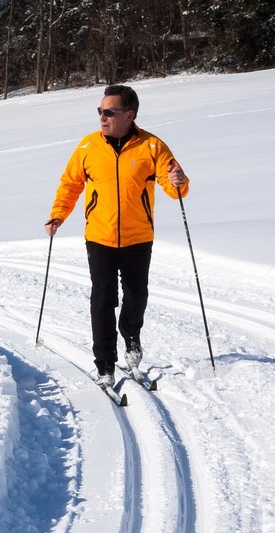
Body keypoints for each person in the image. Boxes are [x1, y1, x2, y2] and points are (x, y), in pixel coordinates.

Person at [44, 85, 189, 387]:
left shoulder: (152, 147)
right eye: (100, 111)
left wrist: (179, 180)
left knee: (137, 296)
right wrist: (58, 214)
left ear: (129, 115)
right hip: (100, 237)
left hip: (139, 237)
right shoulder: (88, 147)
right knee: (102, 299)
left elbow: (173, 183)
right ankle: (105, 362)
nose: (102, 117)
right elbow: (70, 185)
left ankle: (131, 337)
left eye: (109, 111)